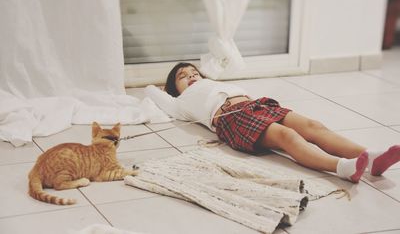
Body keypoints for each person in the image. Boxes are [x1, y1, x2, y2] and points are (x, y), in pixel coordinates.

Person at [145, 62, 400, 183]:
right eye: (183, 76)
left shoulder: (213, 82)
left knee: (314, 127)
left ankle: (369, 157)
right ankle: (343, 167)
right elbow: (151, 92)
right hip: (232, 118)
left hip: (258, 104)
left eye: (194, 73)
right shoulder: (180, 103)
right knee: (288, 138)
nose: (191, 77)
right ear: (174, 89)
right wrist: (159, 89)